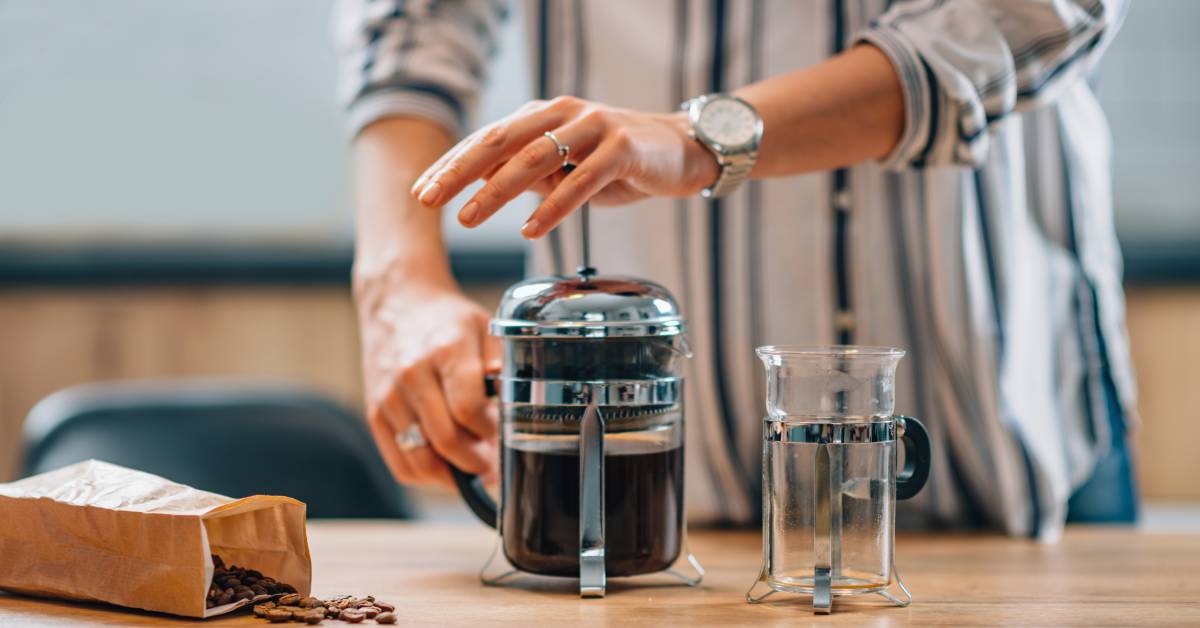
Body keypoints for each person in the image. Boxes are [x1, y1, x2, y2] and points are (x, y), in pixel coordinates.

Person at [334, 0, 1138, 540]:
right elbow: (412, 28)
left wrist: (704, 139)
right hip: (642, 503)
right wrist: (397, 285)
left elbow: (1036, 12)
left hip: (1007, 447)